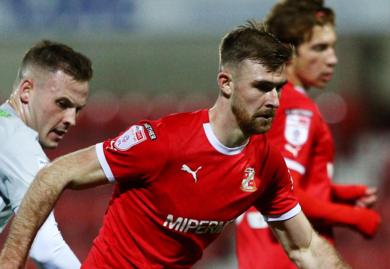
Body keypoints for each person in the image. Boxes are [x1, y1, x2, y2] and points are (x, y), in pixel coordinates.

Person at [0, 22, 350, 269]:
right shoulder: (162, 141)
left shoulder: (265, 163)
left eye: (279, 88)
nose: (274, 100)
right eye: (261, 87)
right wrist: (11, 262)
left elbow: (305, 247)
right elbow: (54, 174)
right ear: (225, 83)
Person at [235, 2, 381, 268]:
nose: (332, 59)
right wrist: (354, 217)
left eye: (332, 47)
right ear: (289, 54)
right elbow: (286, 193)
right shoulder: (296, 109)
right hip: (288, 254)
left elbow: (267, 178)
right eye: (319, 48)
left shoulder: (267, 102)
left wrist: (338, 193)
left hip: (260, 249)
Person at [0, 40, 92, 268]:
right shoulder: (15, 140)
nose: (71, 119)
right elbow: (47, 250)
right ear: (26, 91)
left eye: (77, 109)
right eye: (62, 103)